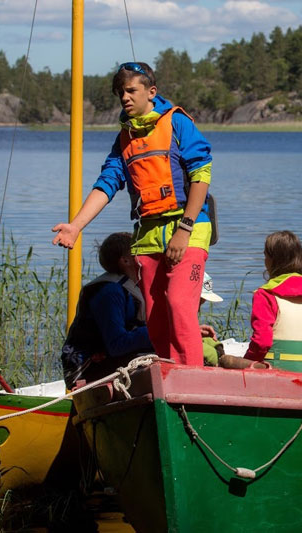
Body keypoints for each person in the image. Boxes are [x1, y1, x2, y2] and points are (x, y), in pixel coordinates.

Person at [52, 61, 213, 366]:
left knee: (179, 305)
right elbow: (107, 183)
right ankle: (168, 380)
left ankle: (192, 381)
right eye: (120, 93)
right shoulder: (124, 138)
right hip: (148, 235)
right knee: (156, 317)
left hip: (188, 229)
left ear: (151, 92)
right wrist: (75, 226)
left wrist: (185, 228)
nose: (125, 97)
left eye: (131, 90)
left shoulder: (177, 123)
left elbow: (202, 174)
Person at [61, 232, 154, 389]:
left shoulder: (129, 287)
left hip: (110, 358)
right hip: (86, 368)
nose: (147, 257)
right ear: (125, 260)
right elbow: (116, 344)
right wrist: (156, 334)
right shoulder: (110, 292)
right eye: (140, 252)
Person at [243, 231, 302, 372]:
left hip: (274, 375)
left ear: (272, 260)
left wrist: (246, 362)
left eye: (265, 255)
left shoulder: (265, 295)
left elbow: (261, 342)